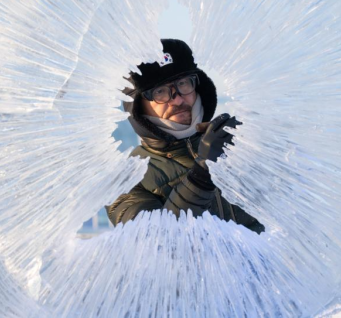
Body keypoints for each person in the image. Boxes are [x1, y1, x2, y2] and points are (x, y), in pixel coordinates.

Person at [106, 39, 264, 234]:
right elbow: (157, 243)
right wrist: (201, 175)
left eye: (182, 83)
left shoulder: (235, 144)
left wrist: (261, 143)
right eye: (161, 92)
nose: (178, 99)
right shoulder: (125, 181)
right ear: (137, 106)